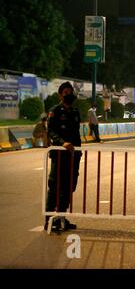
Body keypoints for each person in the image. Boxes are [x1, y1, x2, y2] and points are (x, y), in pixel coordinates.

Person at [45, 82, 82, 231]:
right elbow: (51, 131)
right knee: (55, 187)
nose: (69, 94)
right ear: (60, 94)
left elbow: (77, 133)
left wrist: (79, 151)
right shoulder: (55, 111)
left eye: (71, 92)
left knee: (69, 187)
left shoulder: (75, 112)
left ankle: (61, 218)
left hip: (73, 156)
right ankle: (48, 220)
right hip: (59, 155)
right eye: (66, 92)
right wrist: (62, 143)